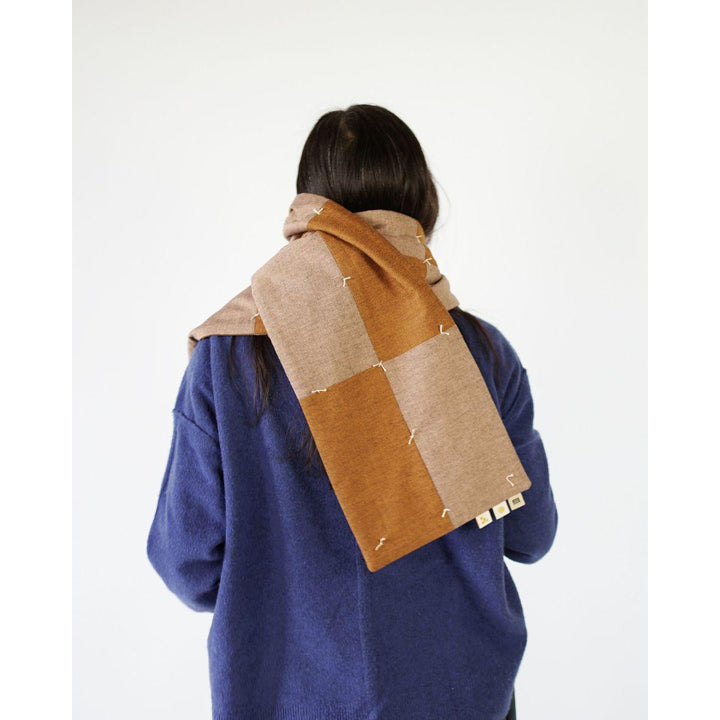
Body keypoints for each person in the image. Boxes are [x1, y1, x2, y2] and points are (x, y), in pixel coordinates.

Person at [147, 104, 558, 720]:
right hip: (458, 695)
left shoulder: (227, 359)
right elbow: (530, 536)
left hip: (284, 697)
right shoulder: (482, 352)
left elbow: (188, 563)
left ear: (307, 210)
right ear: (422, 203)